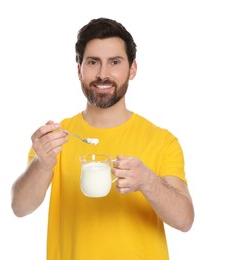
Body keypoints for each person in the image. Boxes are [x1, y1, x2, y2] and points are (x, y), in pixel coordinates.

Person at [11, 17, 194, 260]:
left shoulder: (162, 141)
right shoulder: (55, 138)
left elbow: (185, 220)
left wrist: (148, 182)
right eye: (93, 62)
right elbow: (20, 207)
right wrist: (42, 163)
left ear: (132, 69)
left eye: (115, 62)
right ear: (79, 70)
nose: (103, 74)